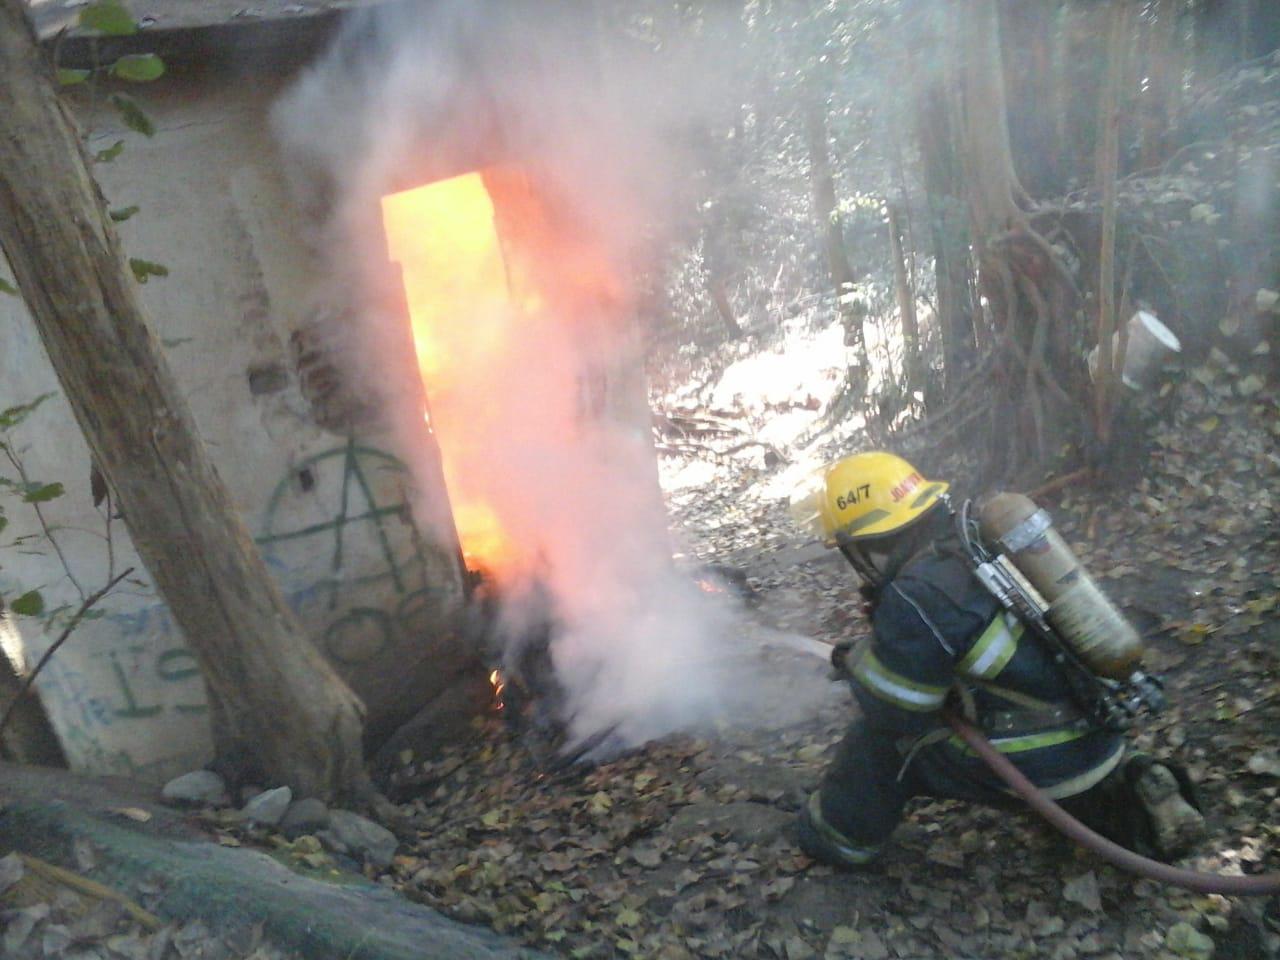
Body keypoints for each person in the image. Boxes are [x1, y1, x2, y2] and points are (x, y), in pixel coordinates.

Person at [789, 451, 1205, 868]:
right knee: (1071, 768)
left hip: (1043, 754)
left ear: (864, 543)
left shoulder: (918, 594)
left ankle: (837, 838)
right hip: (1098, 724)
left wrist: (858, 668)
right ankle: (1132, 783)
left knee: (881, 743)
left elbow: (897, 710)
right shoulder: (973, 538)